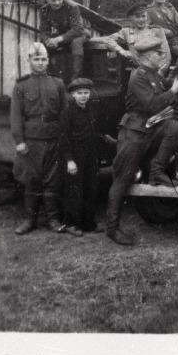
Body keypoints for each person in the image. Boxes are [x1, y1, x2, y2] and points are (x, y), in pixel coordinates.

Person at [105, 44, 178, 245]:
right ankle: (112, 229)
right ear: (144, 56)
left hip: (150, 128)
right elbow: (152, 105)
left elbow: (168, 84)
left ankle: (157, 171)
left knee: (174, 127)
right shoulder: (138, 76)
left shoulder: (153, 74)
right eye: (156, 53)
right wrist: (174, 90)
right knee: (121, 180)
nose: (160, 56)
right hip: (134, 132)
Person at [11, 42, 69, 235]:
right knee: (32, 180)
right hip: (31, 140)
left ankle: (53, 219)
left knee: (53, 181)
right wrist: (19, 141)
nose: (40, 63)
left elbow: (63, 113)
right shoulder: (21, 85)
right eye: (36, 59)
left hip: (52, 138)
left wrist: (62, 138)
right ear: (29, 60)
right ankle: (30, 220)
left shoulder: (58, 84)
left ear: (48, 61)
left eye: (43, 59)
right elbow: (16, 115)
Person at [59, 78, 115, 237]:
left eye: (86, 93)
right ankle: (71, 224)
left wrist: (104, 137)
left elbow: (92, 131)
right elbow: (64, 138)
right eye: (79, 93)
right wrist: (69, 161)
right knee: (74, 191)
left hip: (91, 155)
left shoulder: (91, 109)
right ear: (72, 95)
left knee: (91, 188)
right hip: (75, 155)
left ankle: (89, 223)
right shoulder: (67, 112)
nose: (83, 96)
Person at [99, 2, 171, 75]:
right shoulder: (126, 32)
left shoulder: (156, 30)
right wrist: (123, 52)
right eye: (137, 17)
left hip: (157, 72)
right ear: (131, 18)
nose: (141, 19)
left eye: (143, 16)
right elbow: (108, 40)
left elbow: (166, 54)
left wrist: (161, 71)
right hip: (138, 72)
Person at [39, 0, 90, 82]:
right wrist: (48, 40)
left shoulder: (72, 6)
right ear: (47, 0)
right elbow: (43, 31)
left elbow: (77, 29)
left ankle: (75, 79)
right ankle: (50, 77)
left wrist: (58, 39)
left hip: (80, 33)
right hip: (63, 35)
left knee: (76, 42)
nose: (57, 2)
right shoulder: (44, 10)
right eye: (53, 0)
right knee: (43, 44)